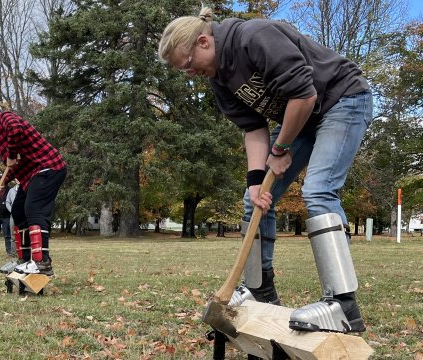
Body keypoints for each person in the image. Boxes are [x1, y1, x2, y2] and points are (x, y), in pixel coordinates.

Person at [158, 8, 372, 333]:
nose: (189, 73)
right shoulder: (220, 80)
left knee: (317, 190)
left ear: (203, 42)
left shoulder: (254, 37)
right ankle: (261, 295)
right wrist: (257, 181)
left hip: (342, 101)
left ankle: (343, 306)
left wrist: (281, 149)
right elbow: (253, 129)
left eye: (187, 64)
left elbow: (304, 94)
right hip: (304, 119)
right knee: (253, 200)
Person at [0, 110, 67, 276]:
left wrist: (12, 154)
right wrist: (2, 182)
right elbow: (13, 165)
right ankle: (26, 260)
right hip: (30, 176)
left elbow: (16, 130)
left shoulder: (6, 118)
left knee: (34, 210)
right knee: (18, 211)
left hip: (48, 167)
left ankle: (42, 262)